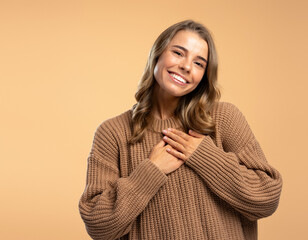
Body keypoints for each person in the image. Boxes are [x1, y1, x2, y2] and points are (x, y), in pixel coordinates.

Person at [79, 20, 282, 240]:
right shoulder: (113, 133)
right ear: (157, 54)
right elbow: (98, 225)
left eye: (199, 63)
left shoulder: (223, 118)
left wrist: (205, 157)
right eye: (178, 53)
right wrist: (151, 171)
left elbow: (266, 198)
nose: (186, 66)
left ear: (203, 76)